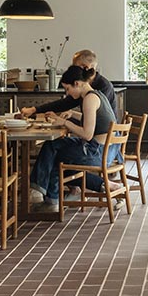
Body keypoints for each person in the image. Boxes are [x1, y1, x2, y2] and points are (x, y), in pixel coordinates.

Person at [28, 64, 121, 212]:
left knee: (51, 147)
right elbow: (92, 120)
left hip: (96, 152)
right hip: (108, 150)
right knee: (56, 156)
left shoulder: (89, 100)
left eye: (68, 89)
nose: (68, 93)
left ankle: (40, 193)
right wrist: (72, 113)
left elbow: (87, 134)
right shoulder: (96, 94)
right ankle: (50, 201)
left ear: (77, 83)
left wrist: (65, 122)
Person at [19, 49, 116, 117]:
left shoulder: (103, 86)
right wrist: (35, 109)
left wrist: (66, 120)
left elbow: (94, 122)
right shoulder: (84, 86)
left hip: (106, 140)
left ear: (85, 67)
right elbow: (65, 103)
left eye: (75, 67)